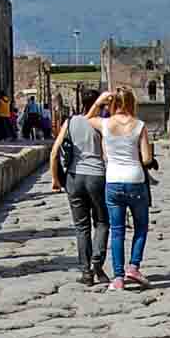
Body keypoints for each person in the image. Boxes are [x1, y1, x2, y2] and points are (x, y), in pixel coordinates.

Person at [83, 87, 152, 291]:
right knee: (140, 227)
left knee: (117, 231)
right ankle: (134, 266)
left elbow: (87, 119)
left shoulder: (105, 124)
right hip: (135, 180)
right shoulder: (139, 125)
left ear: (113, 103)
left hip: (112, 182)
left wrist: (99, 102)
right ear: (131, 103)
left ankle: (119, 278)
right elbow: (147, 159)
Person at [50, 88, 109, 287]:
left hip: (74, 178)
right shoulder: (101, 124)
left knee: (81, 227)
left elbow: (54, 152)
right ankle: (97, 263)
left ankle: (86, 272)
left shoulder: (70, 122)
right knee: (101, 222)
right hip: (97, 177)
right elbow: (107, 154)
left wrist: (55, 179)